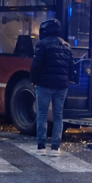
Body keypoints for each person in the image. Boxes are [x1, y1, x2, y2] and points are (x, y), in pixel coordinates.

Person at [30, 18, 73, 155]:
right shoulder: (66, 45)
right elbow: (70, 67)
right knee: (58, 116)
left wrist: (33, 80)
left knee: (42, 113)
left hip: (44, 84)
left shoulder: (41, 45)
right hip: (61, 86)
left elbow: (36, 65)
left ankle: (41, 146)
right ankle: (56, 147)